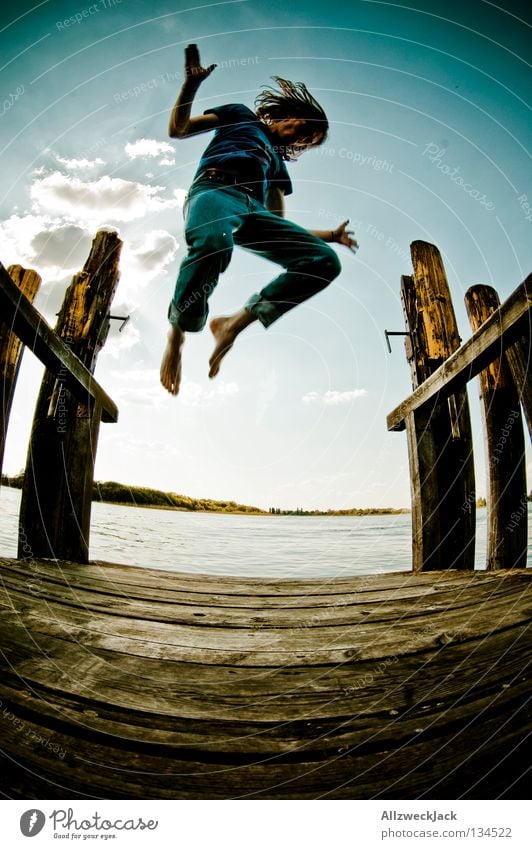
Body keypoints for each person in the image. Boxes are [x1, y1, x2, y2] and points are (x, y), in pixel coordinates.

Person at [160, 44, 358, 395]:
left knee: (324, 262)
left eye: (309, 140)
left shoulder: (277, 167)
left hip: (253, 210)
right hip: (214, 192)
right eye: (306, 127)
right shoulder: (239, 116)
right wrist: (191, 85)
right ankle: (177, 335)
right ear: (290, 113)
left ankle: (233, 323)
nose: (303, 136)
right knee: (213, 243)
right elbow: (179, 129)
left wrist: (328, 237)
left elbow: (278, 228)